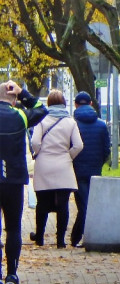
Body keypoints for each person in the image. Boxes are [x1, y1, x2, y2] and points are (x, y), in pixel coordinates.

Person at [0, 80, 48, 284]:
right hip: (14, 178)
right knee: (13, 228)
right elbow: (41, 109)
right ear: (13, 98)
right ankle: (11, 274)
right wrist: (23, 94)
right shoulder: (19, 116)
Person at [30, 90, 83, 249]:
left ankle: (39, 238)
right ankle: (60, 241)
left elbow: (35, 142)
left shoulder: (41, 120)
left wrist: (38, 153)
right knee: (63, 205)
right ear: (64, 103)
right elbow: (79, 145)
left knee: (42, 204)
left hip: (44, 164)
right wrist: (68, 156)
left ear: (48, 103)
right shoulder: (70, 122)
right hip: (63, 165)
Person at [71, 91, 110, 248]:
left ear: (75, 104)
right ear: (91, 104)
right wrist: (99, 162)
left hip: (77, 170)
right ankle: (81, 236)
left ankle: (77, 237)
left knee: (83, 205)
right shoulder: (101, 125)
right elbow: (106, 149)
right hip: (95, 170)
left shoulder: (73, 124)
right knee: (90, 204)